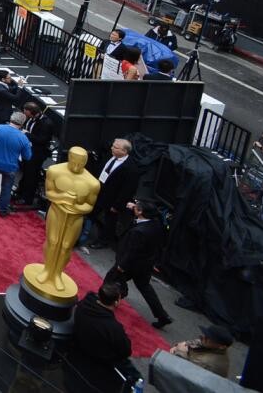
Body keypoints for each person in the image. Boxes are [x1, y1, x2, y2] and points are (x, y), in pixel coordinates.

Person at [102, 198, 172, 327]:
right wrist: (133, 209)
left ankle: (108, 301)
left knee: (110, 279)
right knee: (145, 288)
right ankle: (162, 315)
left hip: (130, 263)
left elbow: (131, 252)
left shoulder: (138, 232)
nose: (133, 207)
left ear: (140, 212)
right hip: (146, 264)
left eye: (136, 208)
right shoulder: (156, 224)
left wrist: (121, 266)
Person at [62, 282, 132, 393]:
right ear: (116, 302)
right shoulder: (113, 328)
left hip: (75, 351)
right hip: (96, 365)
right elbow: (126, 351)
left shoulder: (85, 303)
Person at [87, 138, 139, 248]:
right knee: (91, 213)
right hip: (99, 192)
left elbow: (128, 189)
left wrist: (117, 205)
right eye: (113, 146)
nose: (112, 148)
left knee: (109, 221)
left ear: (124, 151)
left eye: (115, 147)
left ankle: (103, 240)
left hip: (112, 199)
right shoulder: (110, 156)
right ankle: (84, 233)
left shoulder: (130, 168)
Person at [0, 111, 32, 216]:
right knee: (7, 189)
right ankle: (2, 210)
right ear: (22, 124)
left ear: (11, 119)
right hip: (10, 167)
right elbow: (27, 157)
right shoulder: (23, 138)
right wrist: (28, 145)